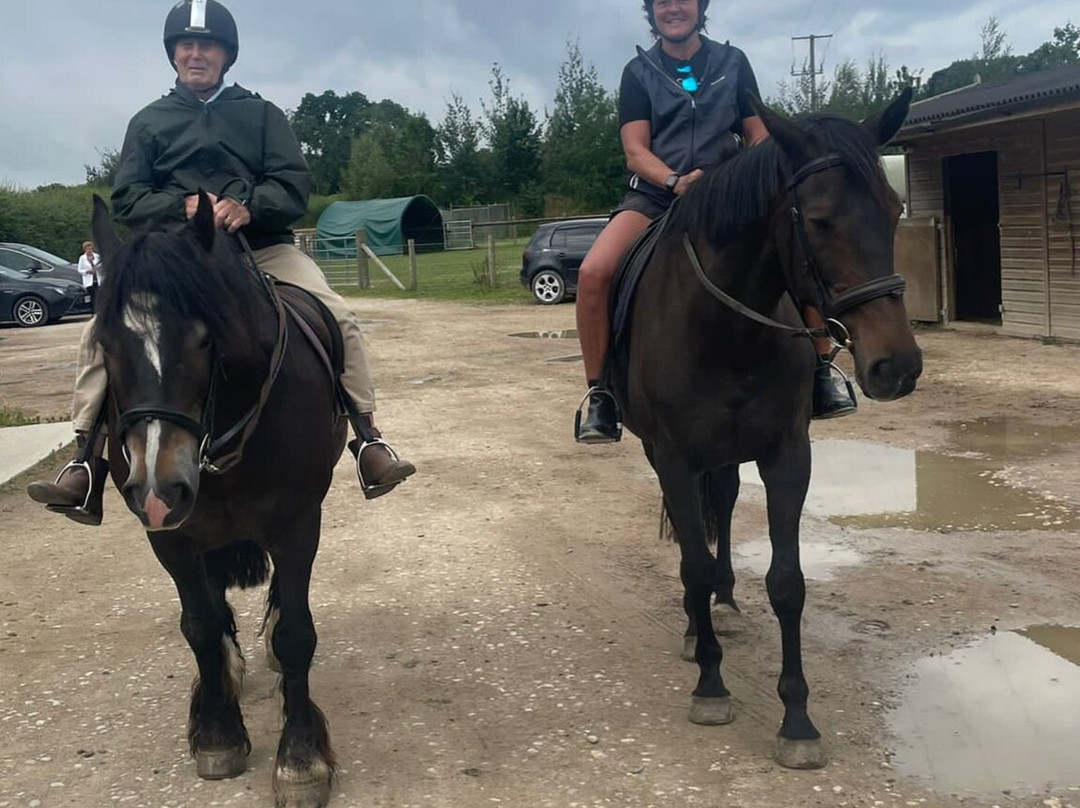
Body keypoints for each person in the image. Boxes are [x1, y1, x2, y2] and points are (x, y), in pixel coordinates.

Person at [27, 0, 415, 524]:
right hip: (175, 261)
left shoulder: (261, 115)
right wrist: (181, 206)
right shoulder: (149, 121)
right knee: (100, 331)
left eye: (206, 45)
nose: (195, 54)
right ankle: (85, 460)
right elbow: (127, 198)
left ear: (226, 55)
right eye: (185, 46)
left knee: (336, 312)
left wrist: (248, 206)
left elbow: (292, 184)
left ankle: (369, 439)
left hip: (261, 247)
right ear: (173, 54)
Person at [574, 0, 857, 444]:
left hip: (727, 196)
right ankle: (600, 395)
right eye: (662, 2)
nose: (673, 8)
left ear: (700, 7)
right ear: (651, 12)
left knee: (796, 248)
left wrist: (738, 175)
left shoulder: (733, 62)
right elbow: (635, 149)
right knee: (593, 273)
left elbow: (758, 133)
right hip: (656, 196)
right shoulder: (638, 72)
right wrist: (673, 180)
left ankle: (823, 369)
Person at [77, 241, 101, 307]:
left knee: (99, 296)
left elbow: (101, 266)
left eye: (90, 249)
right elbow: (79, 270)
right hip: (89, 281)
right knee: (93, 296)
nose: (89, 250)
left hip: (98, 279)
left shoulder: (97, 256)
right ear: (84, 249)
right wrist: (87, 271)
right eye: (87, 249)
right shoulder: (82, 258)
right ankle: (94, 311)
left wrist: (94, 266)